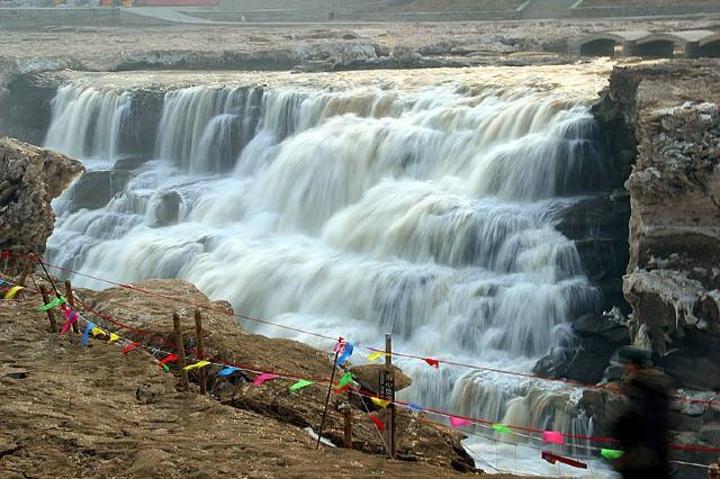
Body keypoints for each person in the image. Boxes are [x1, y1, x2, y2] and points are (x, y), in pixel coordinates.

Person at [609, 346, 673, 479]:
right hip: (658, 455)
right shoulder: (658, 386)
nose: (624, 369)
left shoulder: (640, 387)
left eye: (625, 365)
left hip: (640, 459)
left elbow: (634, 421)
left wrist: (618, 427)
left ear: (632, 365)